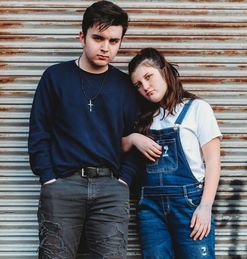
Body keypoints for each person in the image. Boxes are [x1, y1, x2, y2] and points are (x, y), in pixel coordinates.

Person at [28, 1, 139, 258]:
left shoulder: (124, 86)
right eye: (98, 37)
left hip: (111, 190)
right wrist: (48, 179)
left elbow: (138, 135)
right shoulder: (55, 77)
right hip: (62, 186)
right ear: (82, 37)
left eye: (114, 41)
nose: (105, 47)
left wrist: (124, 181)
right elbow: (39, 131)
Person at [122, 48, 222, 258]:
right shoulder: (142, 117)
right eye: (138, 85)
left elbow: (213, 162)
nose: (145, 88)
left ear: (164, 71)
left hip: (189, 205)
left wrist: (205, 207)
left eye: (148, 77)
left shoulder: (197, 109)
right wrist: (133, 138)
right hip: (150, 208)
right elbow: (117, 148)